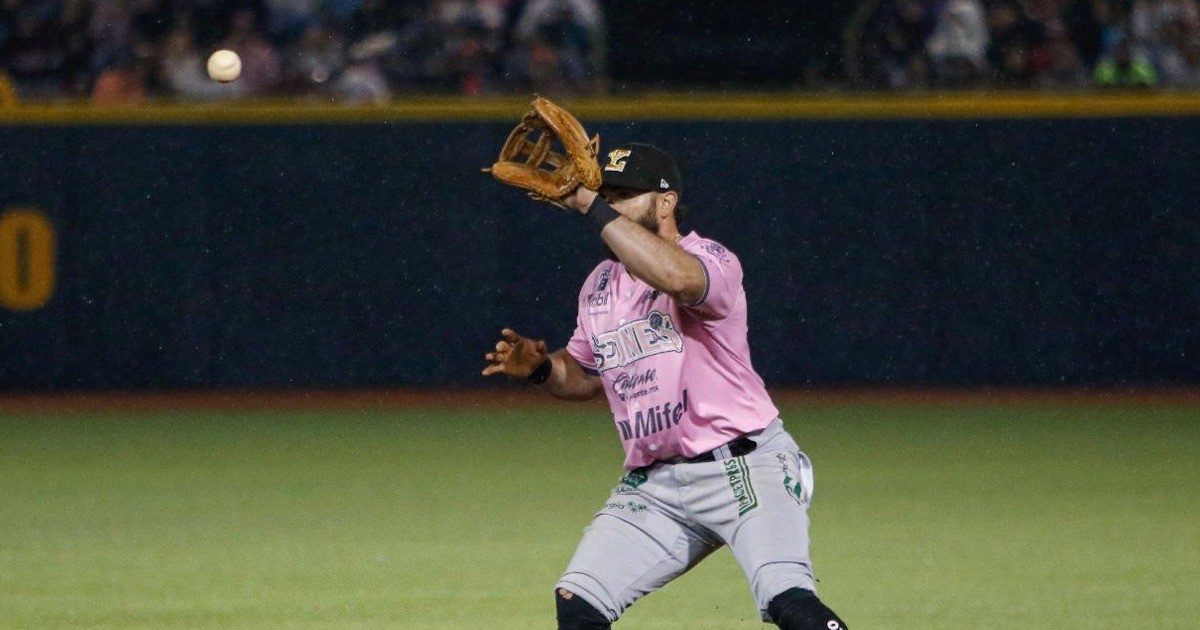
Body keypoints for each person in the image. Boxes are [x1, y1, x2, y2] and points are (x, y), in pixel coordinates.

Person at [482, 144, 850, 630]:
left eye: (623, 195)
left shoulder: (710, 258)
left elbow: (677, 278)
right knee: (578, 604)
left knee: (791, 605)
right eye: (605, 193)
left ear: (665, 202)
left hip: (744, 467)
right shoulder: (599, 284)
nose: (608, 203)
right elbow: (585, 378)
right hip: (656, 484)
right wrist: (542, 369)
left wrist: (590, 206)